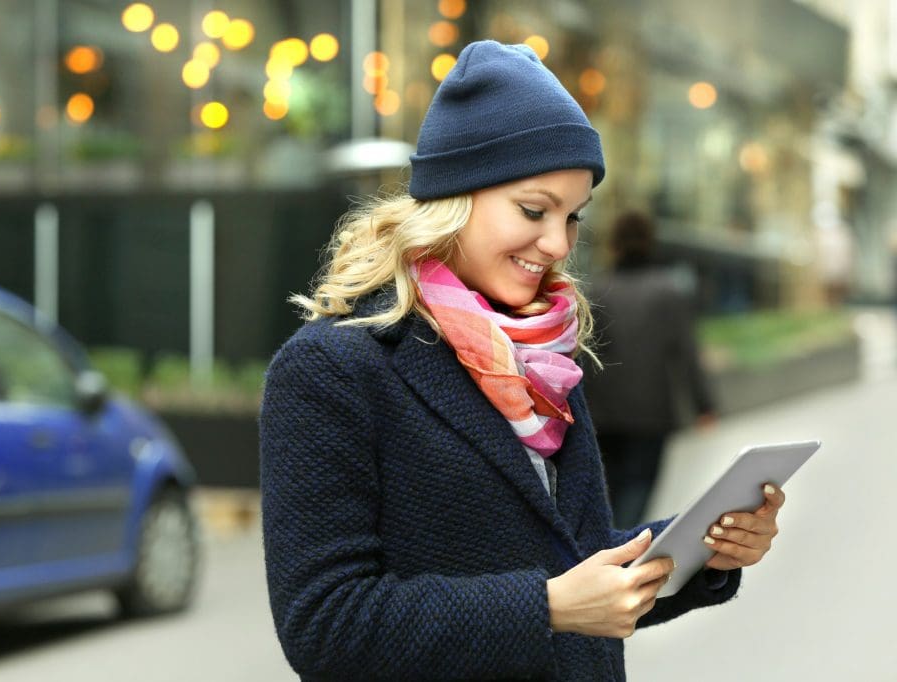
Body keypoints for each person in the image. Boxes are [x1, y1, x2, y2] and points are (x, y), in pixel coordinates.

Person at [260, 41, 785, 681]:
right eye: (534, 211)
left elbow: (574, 564)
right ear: (455, 196)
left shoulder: (540, 357)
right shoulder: (330, 370)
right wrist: (547, 607)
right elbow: (324, 623)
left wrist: (703, 548)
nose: (558, 243)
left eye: (573, 217)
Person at [584, 210, 717, 529]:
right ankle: (624, 552)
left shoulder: (598, 290)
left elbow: (584, 356)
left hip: (603, 412)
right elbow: (686, 353)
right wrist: (704, 405)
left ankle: (609, 550)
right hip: (651, 412)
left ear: (613, 244)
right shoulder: (668, 291)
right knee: (640, 486)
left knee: (609, 488)